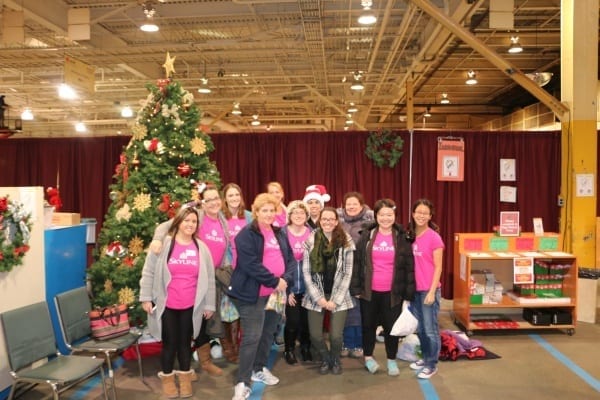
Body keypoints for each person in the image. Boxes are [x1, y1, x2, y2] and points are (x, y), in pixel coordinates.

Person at [151, 183, 231, 377]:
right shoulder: (198, 217)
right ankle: (197, 363)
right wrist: (157, 238)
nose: (213, 202)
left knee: (205, 321)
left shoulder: (222, 220)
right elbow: (168, 225)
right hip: (190, 279)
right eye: (209, 199)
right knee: (197, 325)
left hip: (213, 277)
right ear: (202, 203)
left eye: (216, 198)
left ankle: (196, 364)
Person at [139, 205, 216, 398]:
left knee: (185, 344)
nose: (190, 224)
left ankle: (184, 378)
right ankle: (167, 378)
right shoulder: (164, 245)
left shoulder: (202, 248)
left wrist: (209, 304)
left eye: (194, 221)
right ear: (178, 222)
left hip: (191, 306)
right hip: (167, 306)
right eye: (186, 220)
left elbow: (210, 279)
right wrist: (146, 297)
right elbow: (148, 272)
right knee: (169, 344)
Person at [227, 193, 295, 400]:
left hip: (275, 295)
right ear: (255, 212)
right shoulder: (246, 235)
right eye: (263, 210)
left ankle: (259, 368)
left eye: (271, 210)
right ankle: (242, 382)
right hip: (251, 295)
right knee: (252, 337)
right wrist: (275, 281)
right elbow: (250, 265)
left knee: (268, 333)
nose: (268, 214)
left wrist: (285, 278)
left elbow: (290, 259)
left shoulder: (279, 233)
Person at [351, 198, 415, 376]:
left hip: (393, 293)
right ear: (376, 216)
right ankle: (368, 358)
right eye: (382, 214)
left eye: (389, 214)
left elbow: (409, 266)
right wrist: (356, 288)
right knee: (368, 326)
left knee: (391, 328)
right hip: (368, 292)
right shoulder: (367, 235)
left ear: (395, 216)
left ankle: (391, 360)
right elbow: (357, 263)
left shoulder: (402, 237)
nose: (385, 218)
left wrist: (408, 293)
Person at [302, 207, 354, 375]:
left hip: (339, 295)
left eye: (331, 219)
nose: (327, 222)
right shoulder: (311, 240)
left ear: (337, 221)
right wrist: (319, 298)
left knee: (336, 336)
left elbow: (347, 273)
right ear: (320, 220)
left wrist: (335, 300)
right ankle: (326, 358)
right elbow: (306, 271)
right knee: (315, 335)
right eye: (324, 219)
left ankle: (335, 359)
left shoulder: (345, 240)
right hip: (316, 295)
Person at [407, 198, 444, 379]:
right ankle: (426, 357)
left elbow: (438, 267)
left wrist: (431, 291)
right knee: (420, 329)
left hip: (428, 291)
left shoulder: (434, 237)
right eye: (418, 212)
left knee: (430, 329)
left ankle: (432, 364)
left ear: (430, 216)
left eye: (425, 213)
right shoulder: (410, 235)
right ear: (413, 214)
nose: (421, 216)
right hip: (414, 291)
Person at [337, 191, 374, 359]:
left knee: (359, 310)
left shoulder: (371, 221)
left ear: (361, 205)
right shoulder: (337, 220)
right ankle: (345, 343)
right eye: (348, 204)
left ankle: (358, 344)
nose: (351, 207)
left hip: (361, 272)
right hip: (341, 271)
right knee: (343, 308)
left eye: (355, 204)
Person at [221, 183, 253, 363]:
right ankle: (231, 348)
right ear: (224, 198)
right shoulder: (220, 217)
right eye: (230, 195)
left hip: (246, 269)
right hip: (228, 269)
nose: (234, 198)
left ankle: (241, 346)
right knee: (228, 309)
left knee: (244, 309)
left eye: (236, 195)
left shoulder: (248, 217)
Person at [282, 200, 312, 364]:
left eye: (302, 213)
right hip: (290, 287)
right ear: (290, 216)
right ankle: (289, 349)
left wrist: (312, 289)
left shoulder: (312, 233)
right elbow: (278, 262)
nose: (299, 216)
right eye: (295, 213)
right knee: (292, 321)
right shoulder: (282, 233)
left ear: (306, 215)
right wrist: (288, 290)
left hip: (308, 288)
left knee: (307, 321)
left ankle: (306, 348)